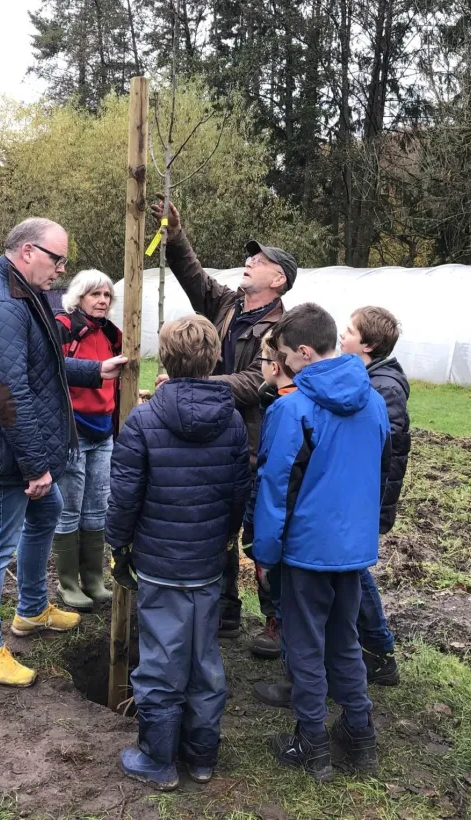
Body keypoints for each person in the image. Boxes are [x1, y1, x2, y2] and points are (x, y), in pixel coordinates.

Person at [0, 218, 126, 687]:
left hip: (15, 445)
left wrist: (95, 371)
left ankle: (30, 610)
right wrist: (34, 466)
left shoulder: (24, 297)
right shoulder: (1, 306)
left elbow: (43, 365)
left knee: (49, 512)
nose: (61, 270)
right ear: (27, 252)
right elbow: (10, 393)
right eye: (57, 259)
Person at [106, 315, 251, 790]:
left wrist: (118, 545)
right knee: (204, 660)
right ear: (215, 359)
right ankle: (202, 756)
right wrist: (224, 539)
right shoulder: (230, 420)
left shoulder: (144, 420)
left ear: (164, 357)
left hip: (161, 566)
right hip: (207, 566)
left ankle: (158, 759)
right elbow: (238, 492)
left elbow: (124, 494)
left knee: (161, 662)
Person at [252, 303, 391, 780]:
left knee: (305, 647)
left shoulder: (292, 410)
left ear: (305, 353)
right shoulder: (374, 401)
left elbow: (275, 490)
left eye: (286, 356)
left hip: (306, 552)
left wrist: (264, 555)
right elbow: (380, 469)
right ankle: (360, 733)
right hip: (352, 548)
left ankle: (311, 744)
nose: (282, 366)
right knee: (344, 639)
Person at [152, 197, 297, 649]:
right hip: (210, 432)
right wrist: (175, 234)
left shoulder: (286, 327)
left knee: (257, 533)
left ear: (279, 279)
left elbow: (259, 381)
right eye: (249, 258)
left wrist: (193, 384)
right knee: (219, 530)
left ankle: (277, 620)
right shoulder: (229, 305)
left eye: (260, 260)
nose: (249, 263)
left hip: (253, 440)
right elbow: (193, 276)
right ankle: (225, 612)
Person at [340, 306, 410, 686]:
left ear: (367, 344)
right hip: (361, 497)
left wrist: (376, 507)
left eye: (349, 330)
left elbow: (388, 454)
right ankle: (369, 647)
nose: (341, 335)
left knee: (354, 574)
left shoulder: (384, 388)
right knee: (352, 573)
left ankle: (380, 653)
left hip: (367, 500)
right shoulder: (369, 377)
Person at [52, 270, 122, 610]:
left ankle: (93, 579)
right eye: (95, 294)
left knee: (97, 507)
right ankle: (68, 583)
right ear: (79, 296)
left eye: (107, 295)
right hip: (73, 431)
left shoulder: (112, 333)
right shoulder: (64, 327)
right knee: (69, 508)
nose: (102, 301)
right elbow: (49, 366)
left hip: (103, 431)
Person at [241, 332, 297, 664]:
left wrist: (254, 518)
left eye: (261, 361)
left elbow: (274, 474)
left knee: (274, 567)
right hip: (268, 506)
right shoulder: (273, 399)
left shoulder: (288, 408)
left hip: (277, 510)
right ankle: (273, 620)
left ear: (274, 366)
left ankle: (284, 628)